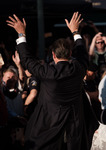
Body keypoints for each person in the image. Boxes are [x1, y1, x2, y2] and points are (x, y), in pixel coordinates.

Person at [7, 12, 89, 150]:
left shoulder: (47, 71)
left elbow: (26, 60)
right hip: (73, 128)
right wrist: (75, 32)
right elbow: (82, 54)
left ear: (53, 55)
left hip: (47, 128)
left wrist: (21, 34)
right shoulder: (78, 68)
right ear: (70, 54)